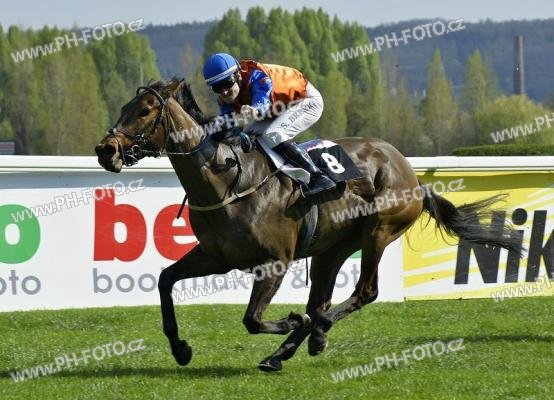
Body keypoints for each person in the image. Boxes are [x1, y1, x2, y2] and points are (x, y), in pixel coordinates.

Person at [203, 52, 336, 197]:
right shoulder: (224, 99)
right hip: (278, 108)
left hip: (305, 100)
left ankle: (318, 177)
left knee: (272, 134)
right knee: (248, 136)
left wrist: (255, 110)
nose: (224, 92)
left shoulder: (258, 77)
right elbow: (229, 126)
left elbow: (262, 103)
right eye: (217, 88)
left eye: (227, 83)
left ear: (238, 74)